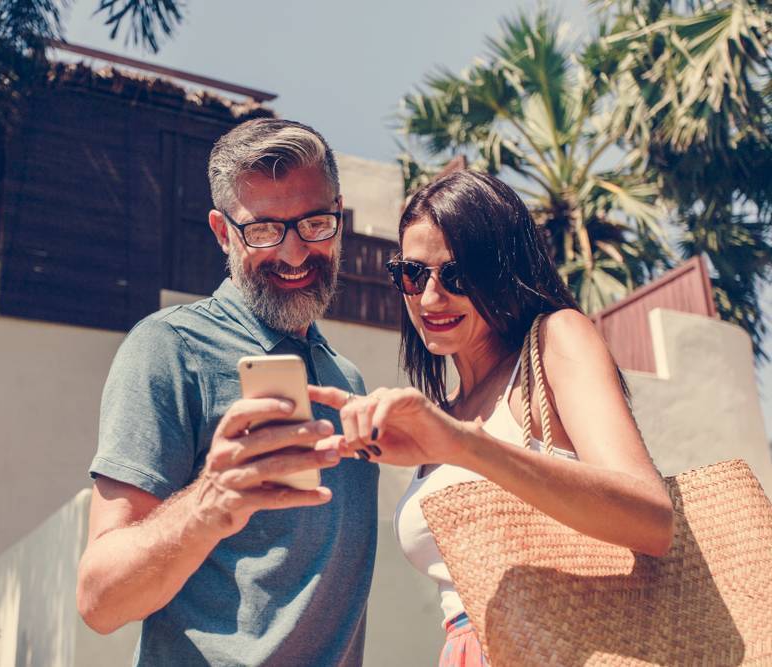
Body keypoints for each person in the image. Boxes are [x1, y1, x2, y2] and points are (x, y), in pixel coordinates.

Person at [311, 170, 674, 665]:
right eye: (413, 275)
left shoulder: (556, 340)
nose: (432, 298)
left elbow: (652, 518)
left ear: (504, 271)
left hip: (569, 645)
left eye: (458, 276)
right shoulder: (447, 413)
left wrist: (466, 445)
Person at [76, 118, 378, 666]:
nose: (292, 254)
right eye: (263, 231)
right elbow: (100, 600)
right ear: (222, 232)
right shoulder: (169, 347)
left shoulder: (346, 381)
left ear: (340, 214)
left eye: (315, 224)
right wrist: (211, 502)